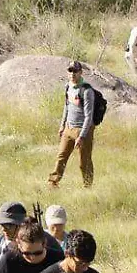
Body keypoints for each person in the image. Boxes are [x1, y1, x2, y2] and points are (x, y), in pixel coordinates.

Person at [47, 62, 100, 190]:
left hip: (83, 130)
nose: (72, 74)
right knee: (61, 157)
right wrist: (62, 125)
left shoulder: (87, 91)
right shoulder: (68, 87)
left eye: (75, 71)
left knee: (84, 162)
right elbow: (67, 107)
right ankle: (52, 183)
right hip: (68, 128)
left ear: (80, 72)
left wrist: (81, 136)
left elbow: (88, 116)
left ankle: (88, 187)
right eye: (70, 71)